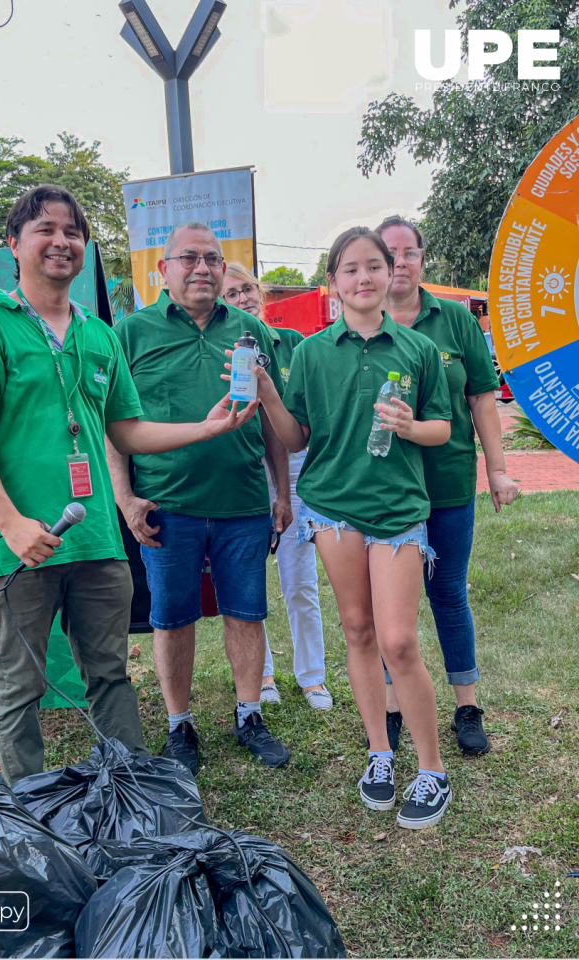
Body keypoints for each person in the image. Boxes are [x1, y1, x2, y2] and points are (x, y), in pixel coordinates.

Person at [0, 187, 258, 785]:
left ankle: (135, 799)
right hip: (18, 549)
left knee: (110, 676)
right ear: (14, 244)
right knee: (19, 686)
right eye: (45, 230)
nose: (61, 241)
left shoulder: (98, 336)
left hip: (96, 546)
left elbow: (128, 430)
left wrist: (207, 426)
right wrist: (11, 525)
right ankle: (28, 816)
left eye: (73, 232)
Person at [240, 226, 455, 829]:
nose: (363, 278)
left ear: (391, 275)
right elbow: (295, 437)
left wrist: (411, 427)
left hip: (397, 512)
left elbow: (442, 428)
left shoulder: (415, 350)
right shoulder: (309, 353)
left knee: (399, 641)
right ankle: (380, 755)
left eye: (374, 267)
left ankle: (432, 769)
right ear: (332, 282)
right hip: (331, 510)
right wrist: (267, 395)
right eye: (350, 269)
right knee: (357, 632)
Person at [106, 222, 293, 775]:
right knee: (171, 617)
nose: (203, 268)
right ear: (163, 271)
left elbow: (271, 422)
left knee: (246, 613)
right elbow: (113, 426)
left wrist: (281, 495)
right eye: (188, 258)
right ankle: (179, 724)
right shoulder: (130, 334)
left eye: (212, 258)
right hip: (167, 505)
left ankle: (250, 714)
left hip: (241, 503)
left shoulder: (251, 331)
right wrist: (125, 498)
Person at [375, 216, 519, 755]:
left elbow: (483, 396)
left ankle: (467, 706)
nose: (400, 264)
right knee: (391, 610)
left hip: (449, 484)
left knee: (448, 594)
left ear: (421, 259)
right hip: (386, 492)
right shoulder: (365, 321)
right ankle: (391, 709)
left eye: (409, 253)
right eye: (389, 254)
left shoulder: (455, 320)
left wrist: (497, 469)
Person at [221, 261, 332, 712]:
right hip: (248, 470)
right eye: (231, 294)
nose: (243, 297)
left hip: (297, 467)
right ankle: (262, 674)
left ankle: (312, 677)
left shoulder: (294, 345)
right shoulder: (221, 353)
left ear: (262, 295)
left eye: (248, 288)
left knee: (299, 577)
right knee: (251, 582)